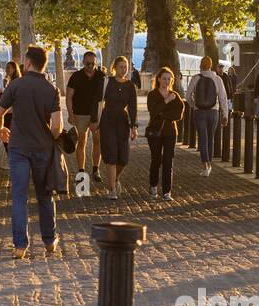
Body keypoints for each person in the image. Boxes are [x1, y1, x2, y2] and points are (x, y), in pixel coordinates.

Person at [0, 46, 62, 260]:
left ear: (28, 63)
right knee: (45, 194)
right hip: (42, 148)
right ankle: (49, 240)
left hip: (18, 148)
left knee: (19, 196)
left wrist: (1, 129)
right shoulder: (51, 90)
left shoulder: (16, 85)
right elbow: (57, 126)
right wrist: (48, 137)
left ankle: (20, 245)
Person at [99, 55, 139, 200]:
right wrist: (93, 121)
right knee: (111, 155)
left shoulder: (130, 86)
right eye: (121, 67)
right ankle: (111, 189)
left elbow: (133, 107)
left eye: (126, 67)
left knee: (123, 158)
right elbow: (97, 101)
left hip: (123, 121)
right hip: (107, 119)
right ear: (114, 68)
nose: (123, 69)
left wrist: (133, 126)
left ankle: (115, 179)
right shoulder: (107, 82)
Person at [145, 66, 185, 201]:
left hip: (170, 132)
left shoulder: (175, 95)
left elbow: (179, 114)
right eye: (164, 79)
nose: (167, 81)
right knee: (156, 159)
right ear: (159, 79)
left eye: (169, 79)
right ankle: (153, 186)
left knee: (168, 161)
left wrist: (164, 114)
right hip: (155, 132)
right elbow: (153, 111)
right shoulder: (152, 94)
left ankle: (167, 191)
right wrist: (166, 102)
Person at [65, 50, 105, 181]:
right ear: (83, 62)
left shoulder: (101, 76)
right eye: (87, 64)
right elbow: (69, 96)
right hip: (80, 113)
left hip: (97, 114)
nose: (90, 66)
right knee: (82, 141)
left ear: (96, 63)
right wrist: (70, 114)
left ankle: (95, 169)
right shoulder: (76, 76)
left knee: (98, 140)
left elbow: (106, 96)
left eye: (92, 64)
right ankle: (81, 172)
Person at [185, 56, 229, 175]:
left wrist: (193, 105)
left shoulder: (196, 78)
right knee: (210, 138)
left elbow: (188, 95)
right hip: (213, 112)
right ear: (211, 65)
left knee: (202, 138)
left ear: (200, 65)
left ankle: (205, 166)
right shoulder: (217, 79)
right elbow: (223, 98)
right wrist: (225, 114)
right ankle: (209, 164)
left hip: (199, 112)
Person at [1, 60, 22, 153]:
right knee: (7, 139)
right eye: (6, 67)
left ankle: (12, 160)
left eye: (9, 67)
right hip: (9, 113)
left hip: (11, 114)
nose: (6, 69)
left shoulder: (16, 82)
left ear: (14, 69)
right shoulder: (10, 81)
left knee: (7, 139)